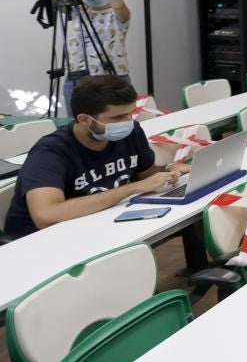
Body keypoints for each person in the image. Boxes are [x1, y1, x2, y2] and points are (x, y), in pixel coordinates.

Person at [3, 76, 190, 239]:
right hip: (38, 241)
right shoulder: (51, 152)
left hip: (98, 222)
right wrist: (131, 189)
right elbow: (46, 216)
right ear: (85, 120)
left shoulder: (131, 133)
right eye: (117, 118)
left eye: (130, 114)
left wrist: (169, 169)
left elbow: (145, 175)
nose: (128, 122)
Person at [32, 0, 132, 111]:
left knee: (111, 121)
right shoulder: (78, 11)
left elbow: (119, 6)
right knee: (77, 123)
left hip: (111, 76)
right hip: (78, 77)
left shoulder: (117, 15)